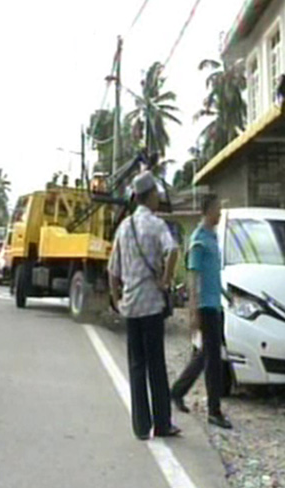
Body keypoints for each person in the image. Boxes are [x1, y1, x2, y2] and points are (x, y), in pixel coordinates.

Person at [108, 171, 181, 440]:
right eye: (156, 194)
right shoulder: (156, 224)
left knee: (136, 366)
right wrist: (165, 279)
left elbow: (112, 269)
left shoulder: (124, 227)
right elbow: (172, 250)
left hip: (131, 307)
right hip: (151, 306)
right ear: (149, 195)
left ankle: (141, 427)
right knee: (156, 365)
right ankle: (163, 424)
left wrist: (117, 300)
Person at [170, 194, 232, 429]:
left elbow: (212, 275)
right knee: (213, 359)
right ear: (207, 211)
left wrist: (226, 296)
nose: (219, 213)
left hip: (215, 303)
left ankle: (177, 391)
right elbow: (193, 277)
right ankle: (214, 411)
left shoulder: (212, 237)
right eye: (217, 209)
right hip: (204, 306)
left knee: (206, 354)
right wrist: (192, 310)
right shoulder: (198, 240)